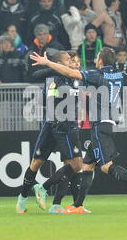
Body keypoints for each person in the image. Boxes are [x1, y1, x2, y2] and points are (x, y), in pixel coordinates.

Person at [29, 47, 127, 213]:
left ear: (100, 60)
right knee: (87, 166)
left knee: (106, 166)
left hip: (99, 125)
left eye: (97, 57)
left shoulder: (97, 75)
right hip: (108, 123)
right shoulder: (120, 75)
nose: (95, 60)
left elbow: (71, 73)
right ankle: (78, 206)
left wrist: (48, 62)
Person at [16, 51, 85, 214]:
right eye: (68, 60)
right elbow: (35, 75)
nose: (72, 62)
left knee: (71, 164)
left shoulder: (74, 77)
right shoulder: (52, 77)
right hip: (52, 125)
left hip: (65, 124)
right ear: (59, 63)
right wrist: (48, 64)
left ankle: (67, 205)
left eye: (73, 60)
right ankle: (22, 198)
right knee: (36, 163)